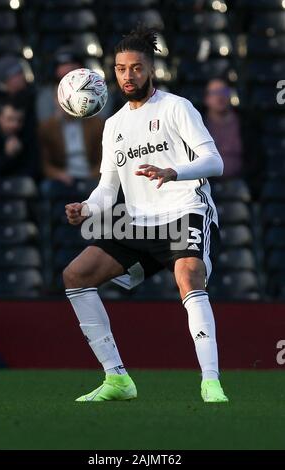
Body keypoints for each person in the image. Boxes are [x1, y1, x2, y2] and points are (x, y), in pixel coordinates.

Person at [63, 26, 228, 403]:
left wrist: (174, 171)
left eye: (136, 68)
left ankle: (211, 382)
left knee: (187, 275)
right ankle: (117, 378)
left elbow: (214, 162)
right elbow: (107, 191)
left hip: (185, 208)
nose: (128, 76)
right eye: (121, 68)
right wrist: (85, 208)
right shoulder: (114, 125)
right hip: (139, 221)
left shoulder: (177, 107)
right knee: (76, 275)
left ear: (150, 69)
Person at [0, 101, 39, 178]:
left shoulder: (27, 134)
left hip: (19, 181)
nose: (15, 125)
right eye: (10, 119)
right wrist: (7, 155)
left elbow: (33, 169)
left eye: (19, 120)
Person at [204, 78, 243, 179]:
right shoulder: (199, 124)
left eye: (223, 91)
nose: (219, 96)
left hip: (240, 181)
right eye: (214, 92)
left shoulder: (246, 123)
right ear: (206, 98)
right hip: (208, 182)